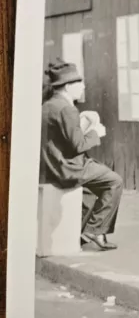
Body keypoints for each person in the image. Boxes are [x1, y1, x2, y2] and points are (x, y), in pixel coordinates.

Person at [40, 60, 123, 251]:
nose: (83, 86)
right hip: (68, 168)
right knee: (114, 181)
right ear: (68, 86)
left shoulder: (48, 105)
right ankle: (94, 230)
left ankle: (80, 233)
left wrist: (81, 123)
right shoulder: (66, 109)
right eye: (79, 83)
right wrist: (96, 132)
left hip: (50, 165)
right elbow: (78, 145)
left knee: (89, 192)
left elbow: (64, 138)